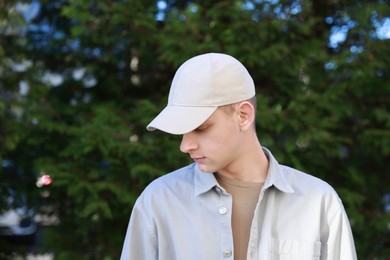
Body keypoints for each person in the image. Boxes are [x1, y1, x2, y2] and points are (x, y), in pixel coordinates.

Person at [120, 53, 357, 260]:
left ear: (243, 115)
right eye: (182, 130)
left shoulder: (319, 203)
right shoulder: (158, 202)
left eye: (201, 128)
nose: (185, 145)